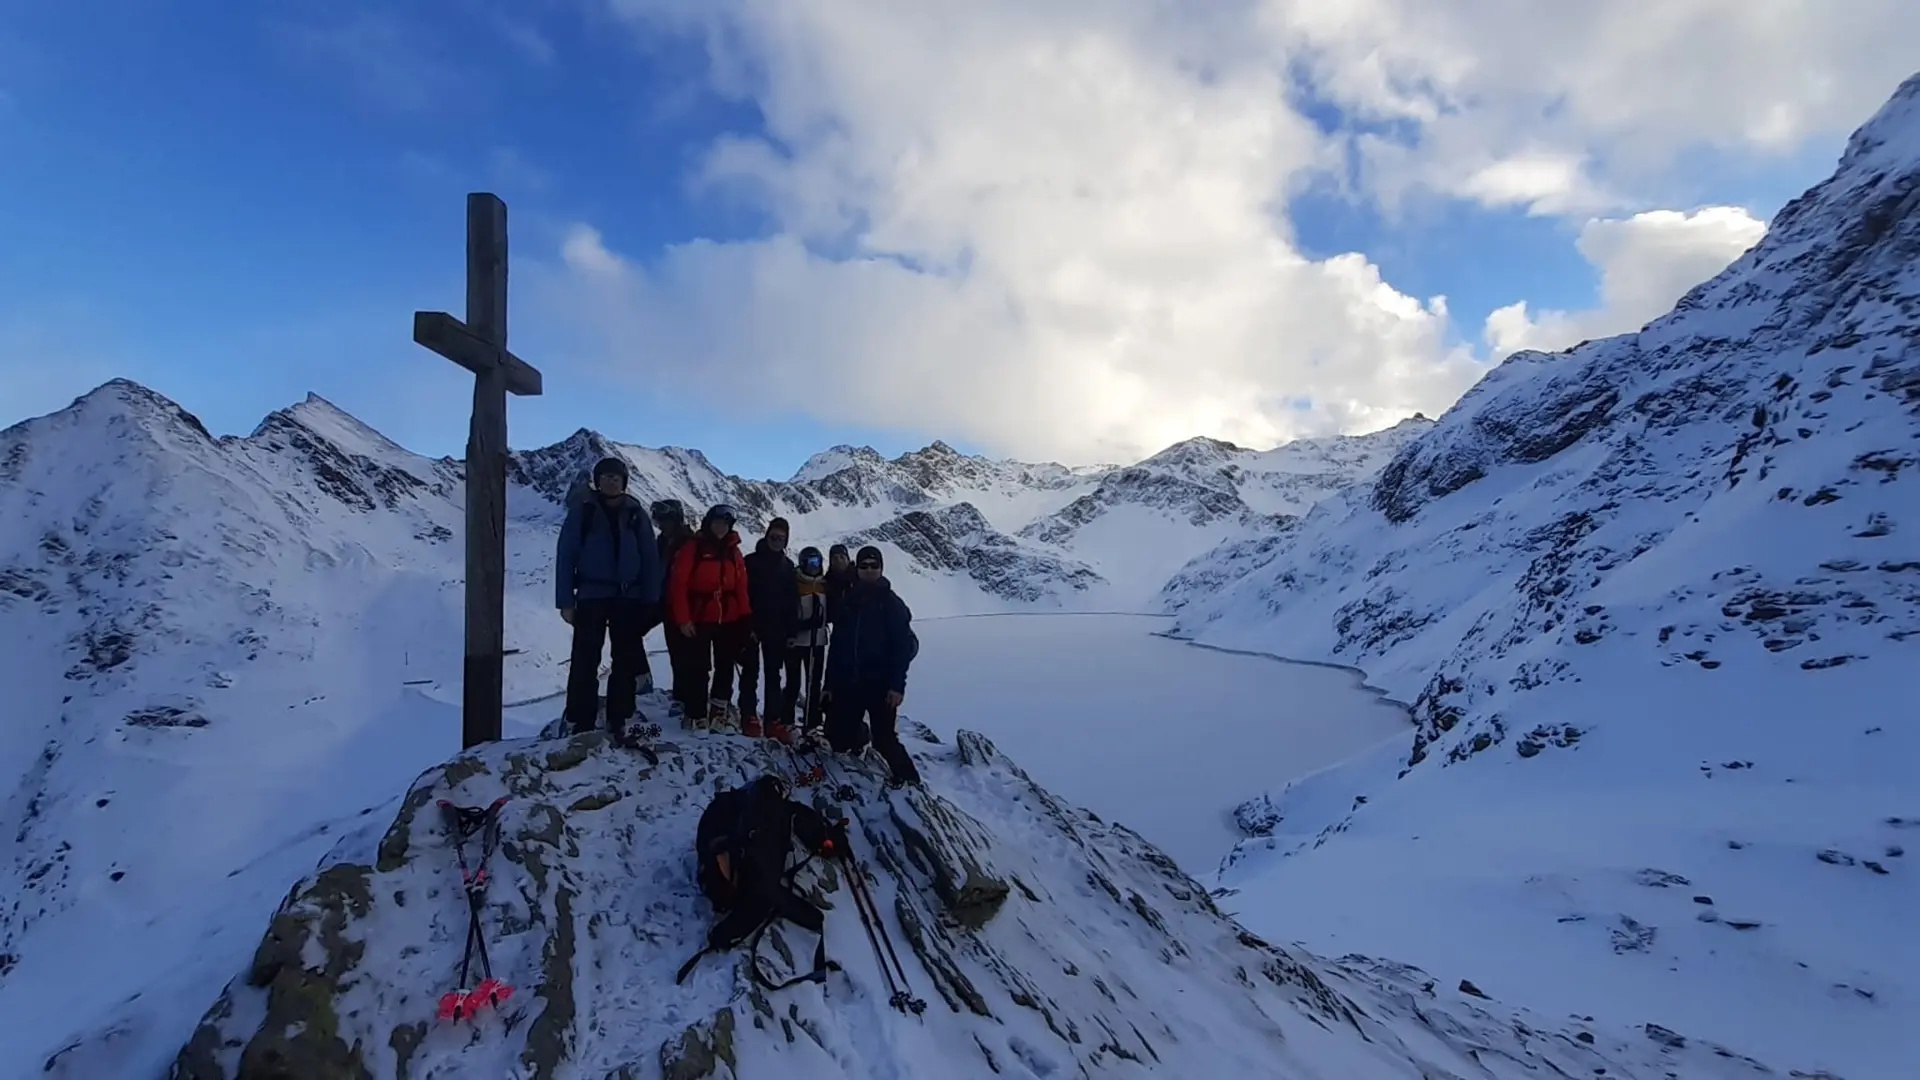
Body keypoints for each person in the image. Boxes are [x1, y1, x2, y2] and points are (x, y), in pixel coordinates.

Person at [554, 456, 660, 742]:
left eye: (616, 477)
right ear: (597, 481)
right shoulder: (583, 511)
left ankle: (620, 715)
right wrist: (565, 600)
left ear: (624, 482)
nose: (611, 482)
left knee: (624, 658)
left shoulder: (636, 513)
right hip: (591, 594)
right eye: (606, 477)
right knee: (585, 658)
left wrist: (651, 599)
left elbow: (650, 558)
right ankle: (580, 717)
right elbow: (567, 556)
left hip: (628, 596)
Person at [823, 545, 922, 787]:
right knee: (836, 739)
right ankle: (859, 736)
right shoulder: (848, 601)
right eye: (864, 566)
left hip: (880, 685)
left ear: (881, 568)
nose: (869, 570)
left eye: (874, 566)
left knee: (885, 740)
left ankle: (910, 780)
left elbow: (901, 649)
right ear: (857, 569)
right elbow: (836, 647)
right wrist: (829, 684)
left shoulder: (892, 604)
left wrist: (897, 687)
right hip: (850, 682)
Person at [666, 503, 753, 730]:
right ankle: (696, 711)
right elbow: (678, 585)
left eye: (725, 524)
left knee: (725, 664)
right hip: (700, 617)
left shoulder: (734, 552)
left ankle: (718, 707)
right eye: (717, 523)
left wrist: (745, 618)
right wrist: (683, 619)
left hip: (729, 618)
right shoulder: (693, 549)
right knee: (698, 665)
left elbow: (741, 587)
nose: (721, 528)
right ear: (708, 523)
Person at [743, 517, 799, 741]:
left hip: (777, 630)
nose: (777, 541)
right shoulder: (751, 562)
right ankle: (748, 715)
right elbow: (744, 596)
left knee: (773, 675)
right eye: (774, 537)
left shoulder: (788, 567)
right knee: (750, 672)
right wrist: (747, 625)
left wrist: (791, 631)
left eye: (781, 538)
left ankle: (772, 720)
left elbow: (791, 602)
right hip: (753, 627)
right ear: (766, 536)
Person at [650, 499, 700, 721]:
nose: (662, 524)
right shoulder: (663, 541)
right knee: (676, 653)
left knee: (687, 654)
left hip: (686, 606)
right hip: (666, 603)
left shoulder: (688, 542)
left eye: (666, 520)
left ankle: (688, 699)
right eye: (659, 520)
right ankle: (682, 696)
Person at [787, 546, 830, 739]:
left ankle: (812, 723)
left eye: (818, 563)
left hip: (817, 641)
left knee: (814, 684)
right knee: (793, 682)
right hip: (797, 642)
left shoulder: (824, 584)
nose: (814, 567)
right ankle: (787, 721)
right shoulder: (795, 582)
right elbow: (786, 613)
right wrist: (802, 625)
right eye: (811, 563)